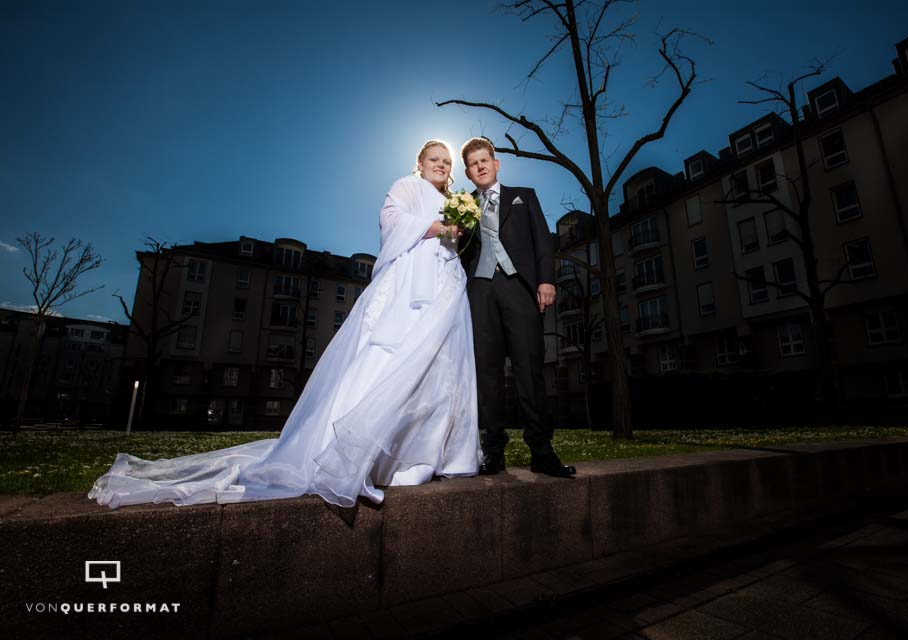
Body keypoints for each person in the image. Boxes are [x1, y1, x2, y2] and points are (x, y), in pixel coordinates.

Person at [88, 140, 480, 509]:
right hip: (413, 283)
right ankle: (367, 453)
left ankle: (428, 452)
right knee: (395, 358)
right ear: (420, 164)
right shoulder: (408, 185)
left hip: (445, 283)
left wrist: (456, 231)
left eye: (446, 162)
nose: (442, 166)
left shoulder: (454, 201)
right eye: (435, 160)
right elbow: (392, 220)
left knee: (440, 364)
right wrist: (438, 229)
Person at [458, 137, 575, 478]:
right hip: (480, 292)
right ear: (468, 172)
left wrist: (546, 279)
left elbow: (543, 239)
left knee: (529, 369)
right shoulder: (462, 206)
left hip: (519, 288)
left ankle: (541, 450)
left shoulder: (524, 196)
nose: (480, 166)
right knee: (488, 375)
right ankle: (493, 452)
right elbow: (458, 251)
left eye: (485, 160)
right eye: (473, 164)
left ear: (496, 164)